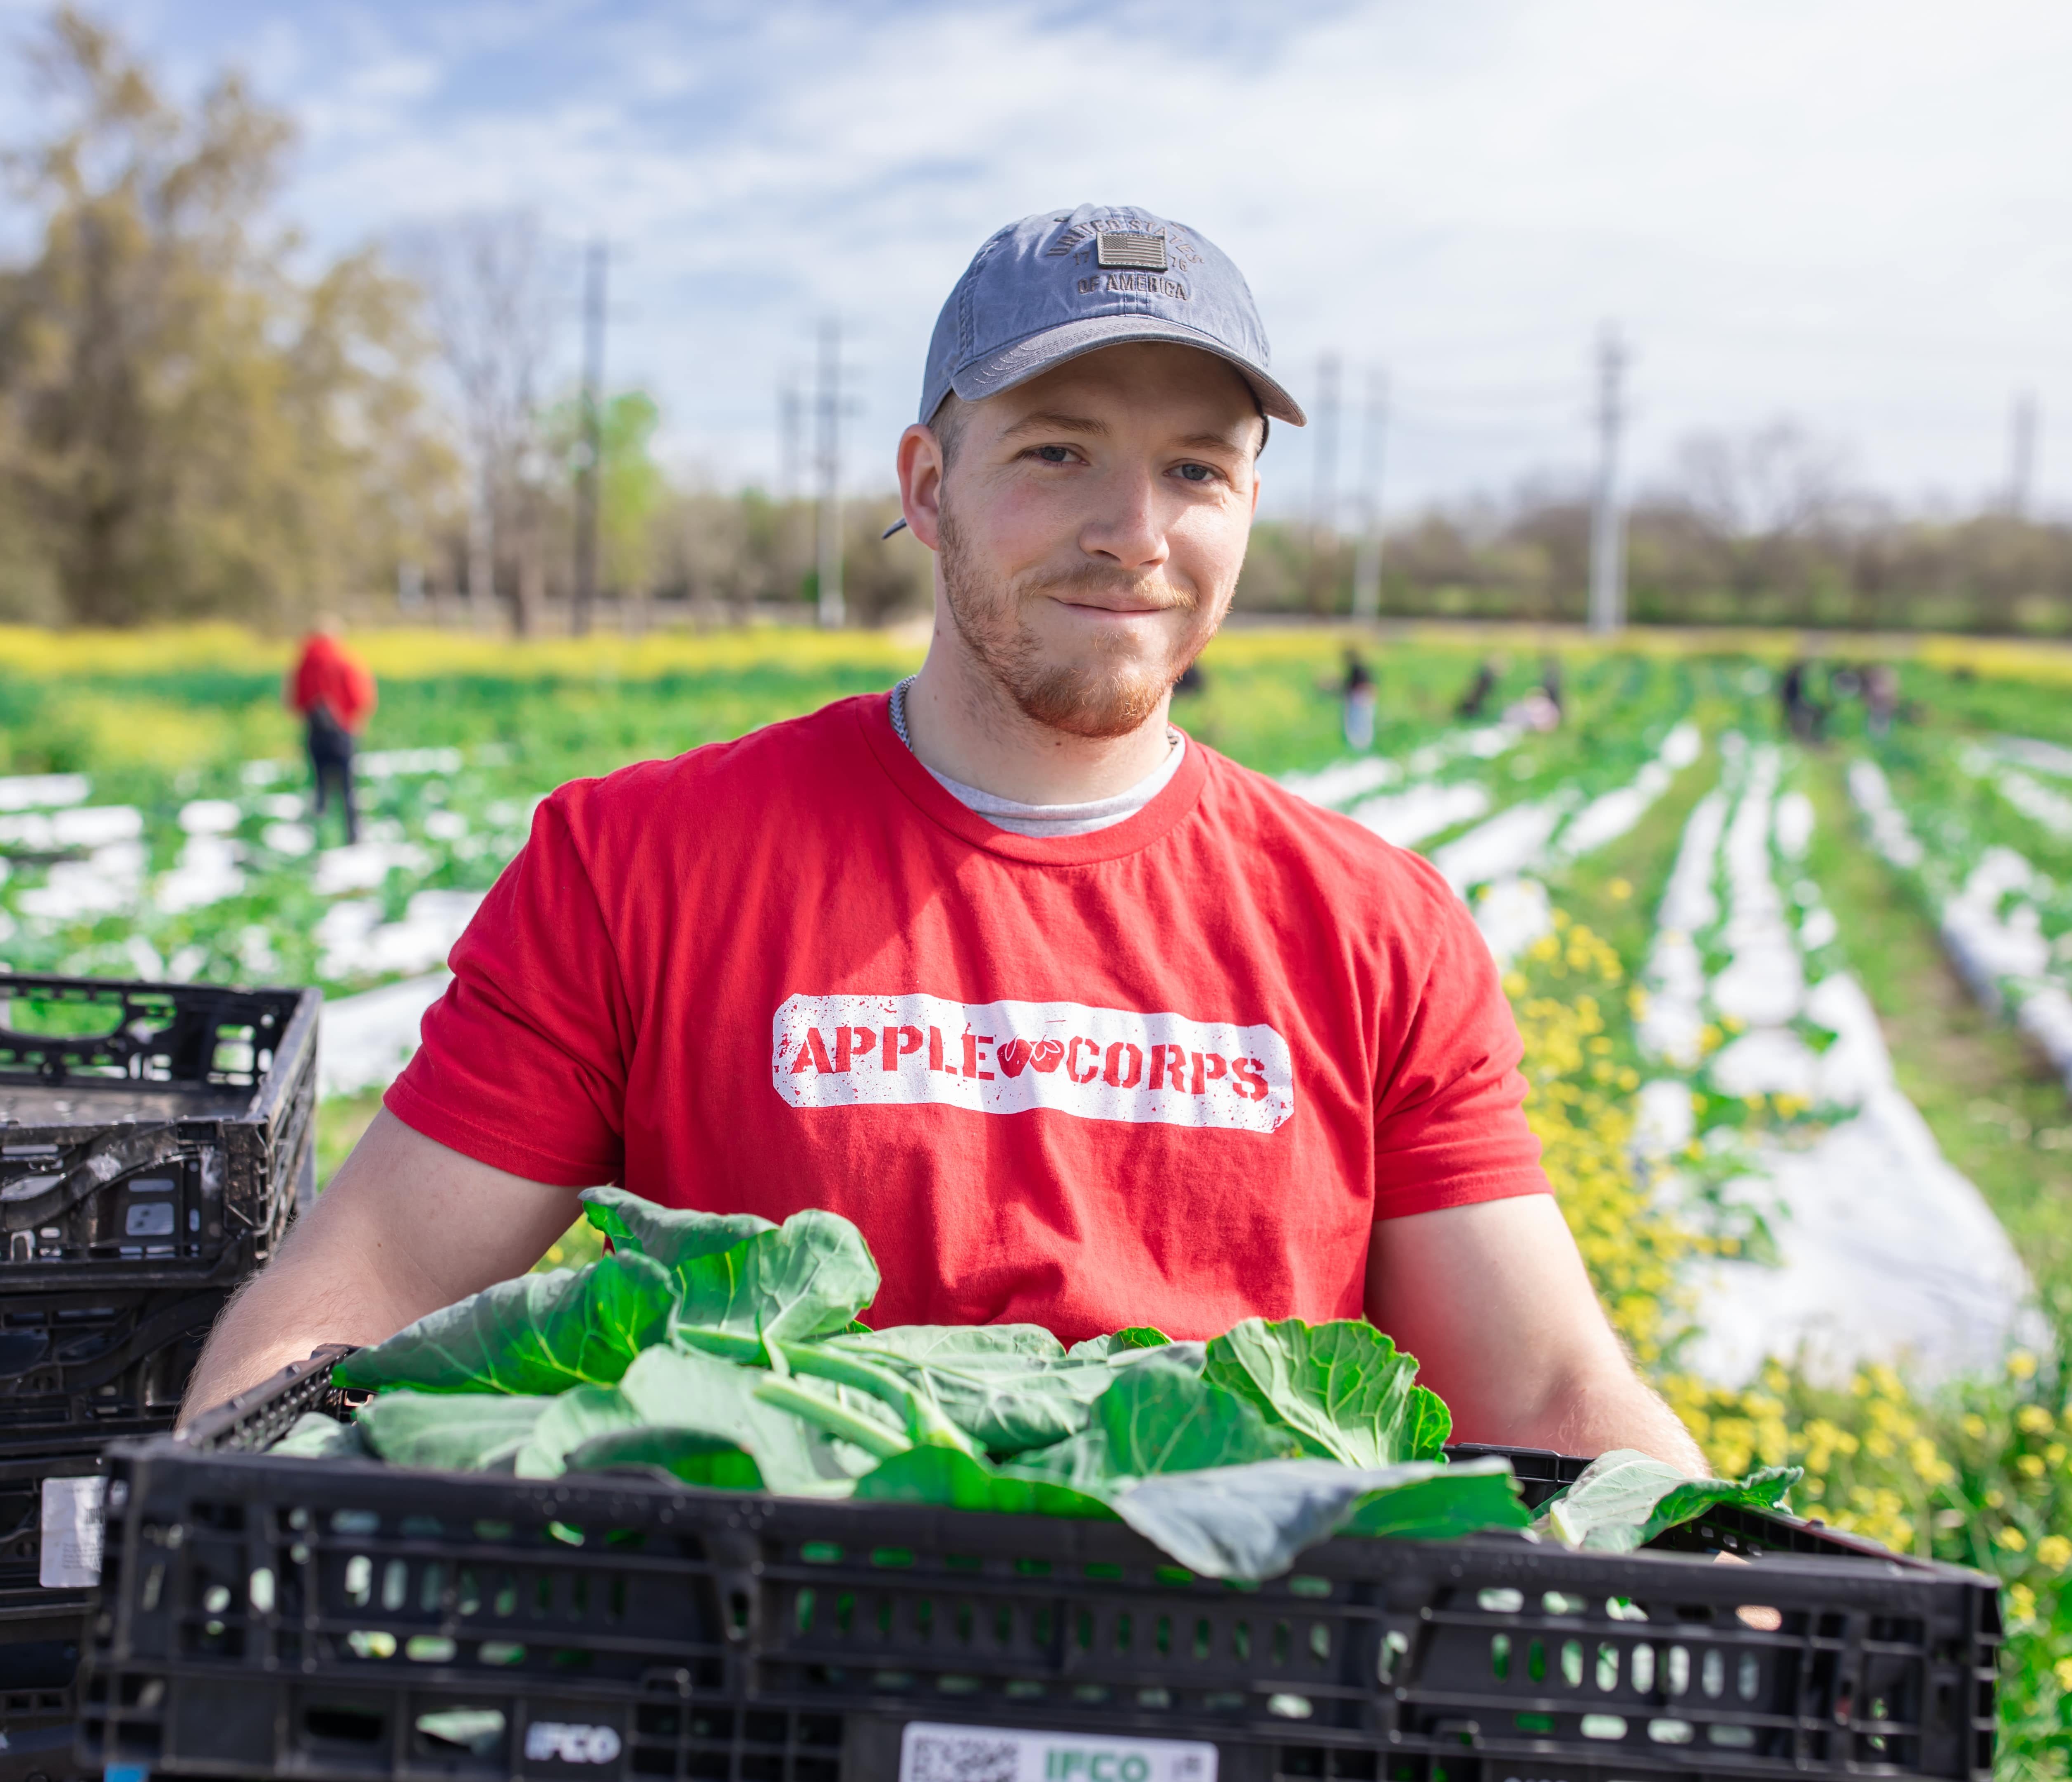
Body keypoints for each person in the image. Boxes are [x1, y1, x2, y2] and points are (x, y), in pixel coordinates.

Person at [184, 203, 1704, 1473]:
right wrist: (233, 1506)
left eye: (1195, 467)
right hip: (748, 1683)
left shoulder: (1378, 931)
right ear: (927, 484)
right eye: (1054, 451)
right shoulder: (635, 864)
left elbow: (1551, 1395)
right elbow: (352, 1297)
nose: (1133, 526)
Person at [288, 620, 375, 847]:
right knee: (347, 787)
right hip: (342, 731)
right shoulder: (345, 661)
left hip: (315, 732)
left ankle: (321, 839)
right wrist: (354, 719)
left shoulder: (303, 664)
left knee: (320, 787)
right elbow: (360, 697)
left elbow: (296, 701)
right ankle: (352, 837)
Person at [1340, 648, 1377, 752]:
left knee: (1358, 722)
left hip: (1359, 702)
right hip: (1365, 702)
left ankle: (1359, 745)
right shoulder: (1363, 669)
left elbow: (1353, 687)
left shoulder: (1357, 670)